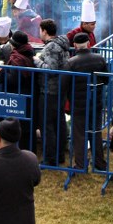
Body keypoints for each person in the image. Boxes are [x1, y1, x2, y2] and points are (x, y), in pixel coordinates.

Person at [66, 32, 109, 170]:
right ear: (89, 43)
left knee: (79, 134)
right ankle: (99, 162)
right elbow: (106, 79)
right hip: (95, 102)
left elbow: (65, 83)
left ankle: (80, 164)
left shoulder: (71, 62)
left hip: (78, 104)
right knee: (95, 132)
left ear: (75, 46)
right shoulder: (100, 59)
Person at [33, 18, 71, 166]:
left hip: (49, 90)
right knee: (59, 122)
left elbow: (50, 69)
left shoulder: (51, 47)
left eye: (40, 30)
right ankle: (59, 154)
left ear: (44, 31)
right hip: (60, 89)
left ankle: (50, 158)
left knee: (47, 125)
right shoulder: (62, 44)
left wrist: (36, 60)